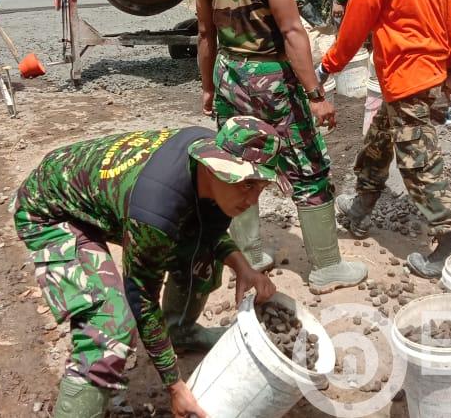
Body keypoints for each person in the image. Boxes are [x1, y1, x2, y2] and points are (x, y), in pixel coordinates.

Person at [14, 116, 281, 418]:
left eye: (262, 186)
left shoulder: (213, 165)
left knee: (201, 257)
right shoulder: (157, 211)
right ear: (214, 167)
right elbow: (141, 298)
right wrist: (175, 386)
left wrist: (243, 267)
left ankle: (181, 332)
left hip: (107, 198)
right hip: (49, 208)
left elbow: (207, 233)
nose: (252, 200)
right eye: (247, 184)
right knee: (111, 327)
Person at [195, 0, 367, 293]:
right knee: (308, 165)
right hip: (272, 78)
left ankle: (250, 254)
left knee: (238, 160)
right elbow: (291, 30)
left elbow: (204, 35)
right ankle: (326, 267)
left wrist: (208, 87)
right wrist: (316, 94)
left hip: (229, 74)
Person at [320, 0, 451, 279]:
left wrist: (327, 67)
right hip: (427, 76)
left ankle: (449, 236)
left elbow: (353, 31)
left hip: (406, 79)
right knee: (379, 141)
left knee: (419, 161)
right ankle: (360, 208)